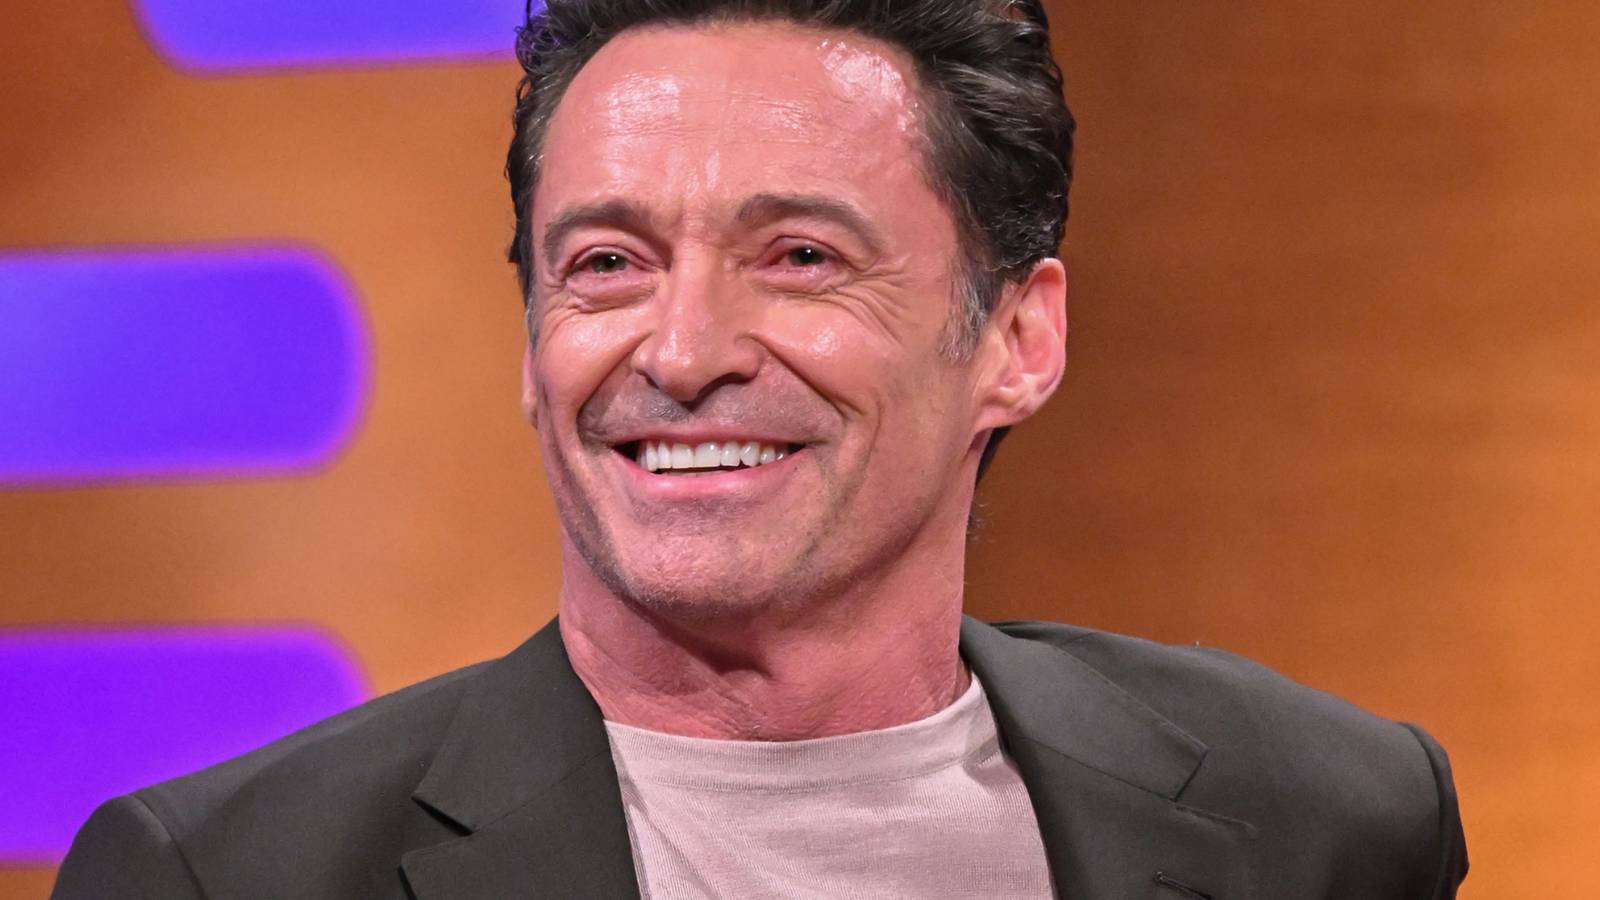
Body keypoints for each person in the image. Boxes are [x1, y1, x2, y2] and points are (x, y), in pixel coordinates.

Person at [53, 0, 1468, 897]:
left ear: (1016, 339)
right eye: (608, 264)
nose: (681, 353)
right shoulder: (234, 876)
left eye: (799, 257)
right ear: (532, 344)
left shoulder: (1324, 819)